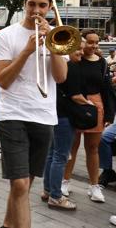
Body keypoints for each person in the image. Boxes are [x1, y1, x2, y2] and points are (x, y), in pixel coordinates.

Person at [0, 0, 68, 228]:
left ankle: (7, 224)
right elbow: (2, 81)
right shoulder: (6, 35)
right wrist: (26, 50)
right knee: (19, 183)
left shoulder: (59, 36)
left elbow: (60, 78)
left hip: (44, 115)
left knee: (25, 183)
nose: (36, 10)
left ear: (49, 7)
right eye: (32, 4)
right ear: (25, 4)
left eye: (42, 5)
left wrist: (53, 46)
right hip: (12, 113)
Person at [62, 29, 111, 202]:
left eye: (96, 42)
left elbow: (107, 90)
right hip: (76, 105)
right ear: (82, 42)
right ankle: (65, 181)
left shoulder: (102, 62)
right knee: (72, 147)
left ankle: (94, 186)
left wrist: (109, 115)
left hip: (96, 106)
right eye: (90, 42)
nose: (94, 45)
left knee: (92, 148)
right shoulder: (75, 60)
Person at [42, 41, 86, 211]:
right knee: (60, 156)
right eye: (78, 49)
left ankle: (48, 190)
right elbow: (76, 96)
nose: (81, 53)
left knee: (52, 154)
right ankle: (55, 195)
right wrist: (91, 104)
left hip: (54, 114)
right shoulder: (71, 67)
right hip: (65, 116)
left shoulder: (57, 64)